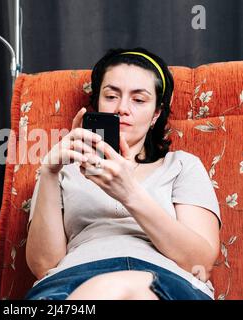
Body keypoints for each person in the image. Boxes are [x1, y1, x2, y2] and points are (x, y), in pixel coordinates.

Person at [25, 47, 222, 300]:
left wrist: (129, 193)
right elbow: (44, 265)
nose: (122, 108)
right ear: (96, 103)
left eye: (138, 100)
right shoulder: (62, 171)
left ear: (156, 115)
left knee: (122, 289)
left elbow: (200, 262)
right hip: (71, 281)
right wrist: (49, 173)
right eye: (111, 96)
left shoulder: (182, 166)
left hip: (166, 283)